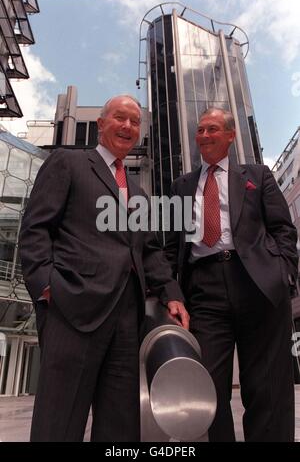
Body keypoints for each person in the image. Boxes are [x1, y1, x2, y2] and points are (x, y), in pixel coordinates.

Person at [19, 95, 189, 442]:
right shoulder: (68, 163)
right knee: (60, 421)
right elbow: (36, 229)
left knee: (120, 424)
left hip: (127, 320)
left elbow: (150, 251)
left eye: (134, 122)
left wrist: (172, 295)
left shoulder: (140, 192)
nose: (127, 126)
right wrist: (46, 287)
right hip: (73, 309)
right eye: (119, 118)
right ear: (101, 124)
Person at [165, 107, 298, 442]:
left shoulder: (257, 175)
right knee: (205, 382)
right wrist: (172, 293)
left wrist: (283, 273)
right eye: (200, 130)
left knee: (267, 384)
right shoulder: (180, 186)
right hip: (204, 289)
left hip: (258, 283)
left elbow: (283, 229)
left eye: (213, 129)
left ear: (230, 135)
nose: (205, 136)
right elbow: (170, 246)